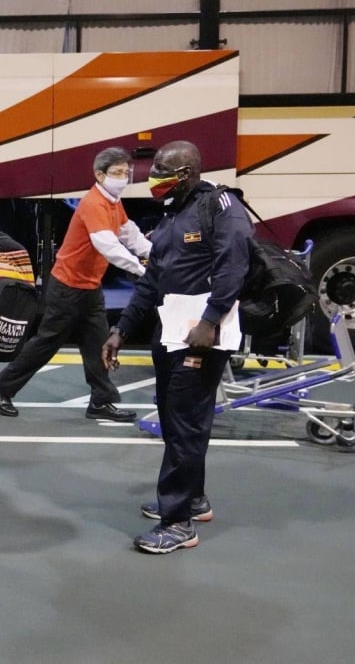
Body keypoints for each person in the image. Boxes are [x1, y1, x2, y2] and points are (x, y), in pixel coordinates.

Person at [102, 140, 251, 554]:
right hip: (171, 330)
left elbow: (233, 267)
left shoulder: (221, 207)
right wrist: (122, 329)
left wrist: (210, 321)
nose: (153, 179)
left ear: (185, 174)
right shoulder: (173, 213)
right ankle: (193, 499)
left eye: (162, 172)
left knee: (185, 423)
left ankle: (178, 522)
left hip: (202, 334)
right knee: (174, 418)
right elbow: (153, 278)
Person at [0, 147, 151, 421]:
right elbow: (108, 246)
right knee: (46, 343)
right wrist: (141, 269)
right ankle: (1, 387)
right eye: (117, 172)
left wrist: (154, 253)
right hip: (67, 287)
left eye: (126, 172)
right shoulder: (93, 203)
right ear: (100, 175)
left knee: (98, 343)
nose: (123, 178)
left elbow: (129, 232)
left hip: (90, 287)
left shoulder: (113, 202)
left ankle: (101, 401)